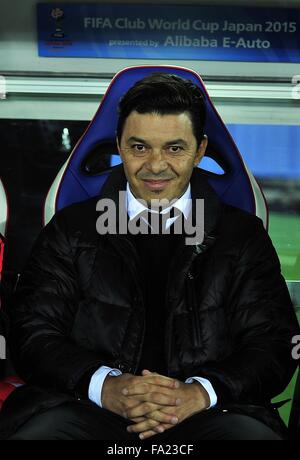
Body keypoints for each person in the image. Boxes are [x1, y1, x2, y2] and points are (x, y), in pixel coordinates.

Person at [0, 72, 299, 441]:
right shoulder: (70, 230)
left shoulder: (242, 237)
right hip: (84, 406)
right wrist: (105, 386)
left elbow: (274, 344)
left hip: (212, 411)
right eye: (139, 147)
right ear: (119, 146)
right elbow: (31, 332)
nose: (155, 165)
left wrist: (199, 393)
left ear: (200, 150)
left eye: (174, 148)